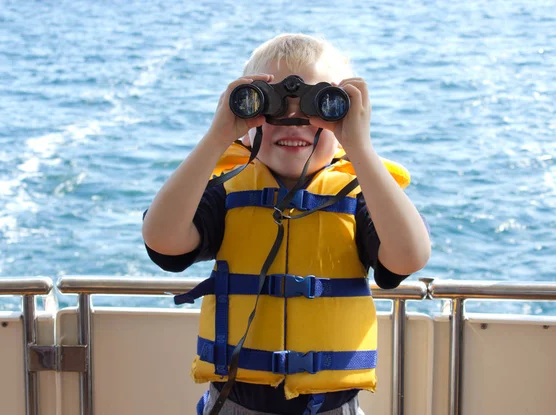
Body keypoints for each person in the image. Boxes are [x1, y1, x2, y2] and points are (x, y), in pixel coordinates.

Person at [142, 33, 431, 415]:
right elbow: (163, 240)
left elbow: (409, 256)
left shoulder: (359, 196)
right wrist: (218, 136)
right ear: (247, 121)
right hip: (233, 403)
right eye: (273, 107)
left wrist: (360, 147)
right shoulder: (228, 193)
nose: (293, 123)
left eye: (320, 107)